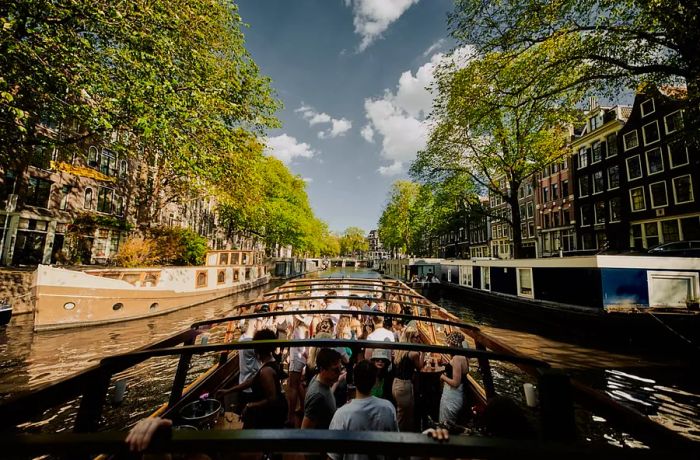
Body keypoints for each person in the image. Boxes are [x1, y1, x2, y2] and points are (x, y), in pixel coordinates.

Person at [328, 360, 398, 460]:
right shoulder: (388, 408)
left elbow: (333, 456)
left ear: (354, 380)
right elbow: (394, 448)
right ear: (374, 381)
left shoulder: (341, 414)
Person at [218, 329, 287, 429]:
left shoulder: (266, 371)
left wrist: (250, 405)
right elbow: (252, 381)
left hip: (271, 416)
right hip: (275, 412)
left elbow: (272, 399)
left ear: (258, 348)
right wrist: (228, 391)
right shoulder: (269, 363)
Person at [302, 347, 344, 429]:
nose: (339, 372)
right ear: (322, 369)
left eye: (340, 368)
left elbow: (326, 395)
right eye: (335, 370)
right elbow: (305, 430)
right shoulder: (317, 396)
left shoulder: (319, 379)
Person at [392, 325, 423, 431]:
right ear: (410, 338)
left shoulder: (400, 350)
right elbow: (420, 367)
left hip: (396, 384)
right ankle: (398, 438)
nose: (419, 339)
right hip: (405, 386)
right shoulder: (414, 353)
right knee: (404, 417)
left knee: (401, 413)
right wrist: (423, 351)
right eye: (416, 337)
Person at [439, 331, 469, 426]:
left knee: (446, 424)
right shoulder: (464, 356)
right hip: (458, 395)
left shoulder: (457, 358)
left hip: (452, 396)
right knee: (451, 424)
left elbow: (456, 383)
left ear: (453, 344)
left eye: (448, 343)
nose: (447, 345)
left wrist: (442, 376)